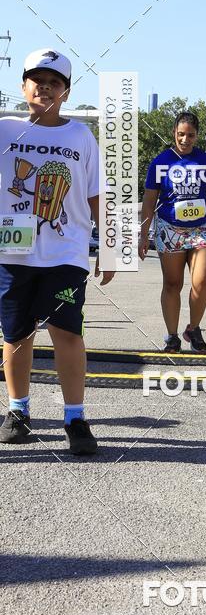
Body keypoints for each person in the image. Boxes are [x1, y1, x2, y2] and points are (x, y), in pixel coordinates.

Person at [0, 48, 115, 454]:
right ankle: (18, 411)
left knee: (67, 332)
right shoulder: (5, 130)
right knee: (16, 335)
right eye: (37, 80)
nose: (44, 87)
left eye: (54, 82)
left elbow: (96, 193)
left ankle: (75, 417)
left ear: (65, 91)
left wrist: (113, 248)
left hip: (65, 252)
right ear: (24, 86)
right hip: (12, 253)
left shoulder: (80, 135)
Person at [139, 111, 206, 352]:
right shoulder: (161, 161)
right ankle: (172, 336)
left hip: (201, 228)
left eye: (190, 135)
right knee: (172, 283)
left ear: (197, 135)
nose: (185, 139)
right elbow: (149, 201)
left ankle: (194, 328)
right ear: (173, 133)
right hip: (169, 228)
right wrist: (143, 234)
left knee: (202, 282)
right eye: (180, 134)